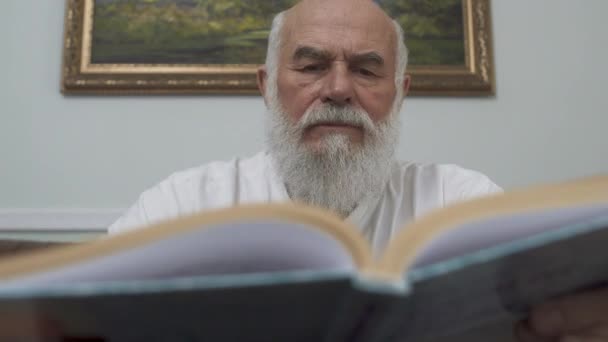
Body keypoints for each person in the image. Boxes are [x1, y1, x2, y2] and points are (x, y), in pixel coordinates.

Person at [108, 1, 608, 341]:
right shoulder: (179, 206)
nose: (339, 89)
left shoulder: (462, 200)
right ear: (266, 85)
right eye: (311, 66)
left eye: (367, 69)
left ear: (401, 92)